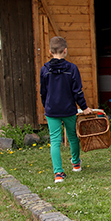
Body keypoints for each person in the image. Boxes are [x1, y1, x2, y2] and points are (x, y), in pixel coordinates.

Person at [40, 36, 92, 183]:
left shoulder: (44, 69)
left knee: (55, 140)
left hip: (52, 110)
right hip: (69, 109)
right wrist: (84, 107)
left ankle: (58, 173)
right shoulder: (72, 68)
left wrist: (46, 105)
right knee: (72, 136)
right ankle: (76, 164)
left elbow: (43, 91)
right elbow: (77, 91)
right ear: (65, 51)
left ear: (50, 52)